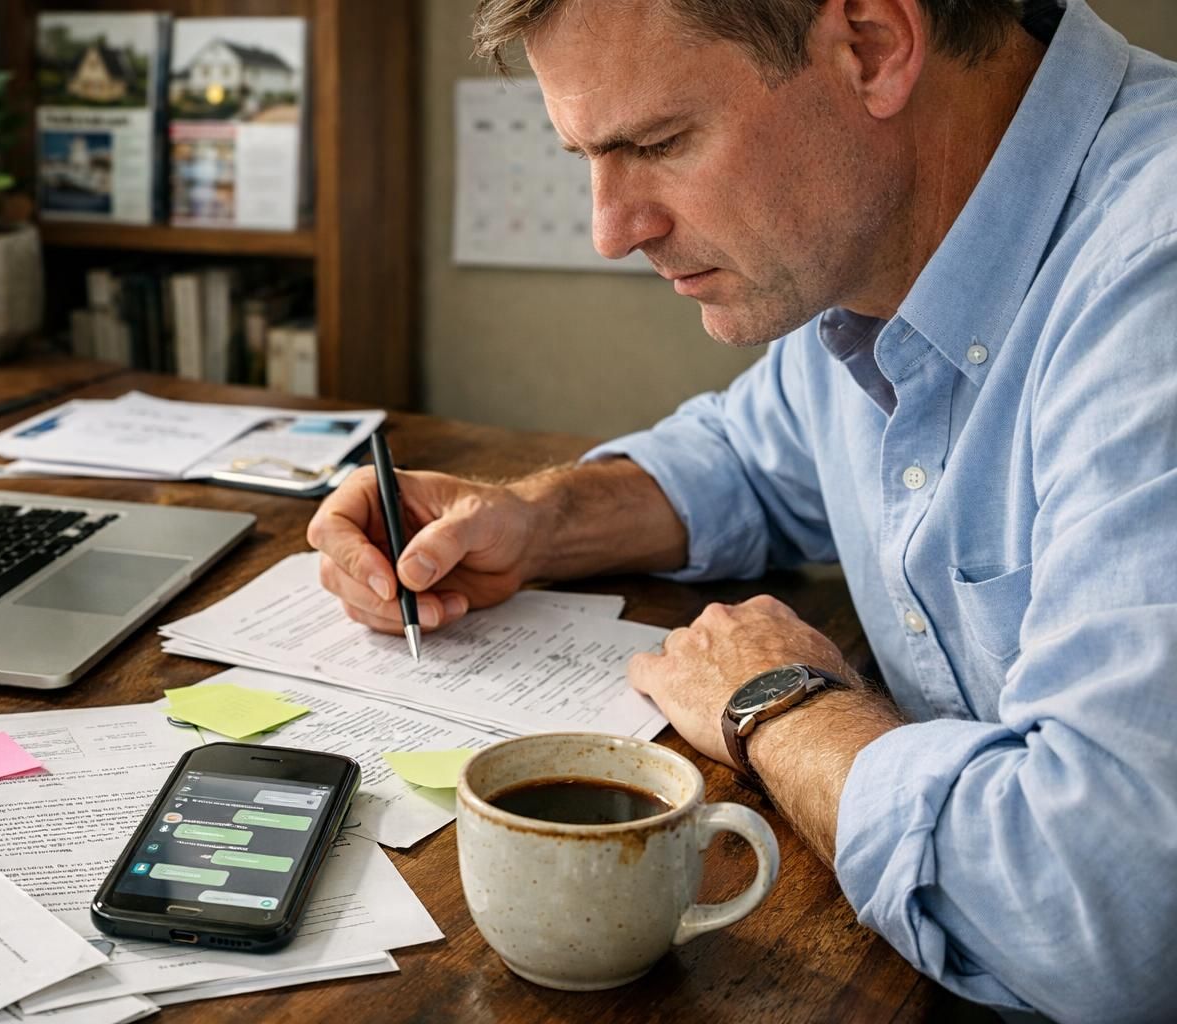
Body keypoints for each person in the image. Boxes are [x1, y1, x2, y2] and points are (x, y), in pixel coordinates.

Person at [307, 0, 1177, 1018]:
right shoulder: (873, 249)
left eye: (659, 143)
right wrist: (538, 518)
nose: (610, 232)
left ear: (873, 47)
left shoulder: (1149, 282)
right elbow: (747, 459)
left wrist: (779, 703)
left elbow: (1100, 908)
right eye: (587, 157)